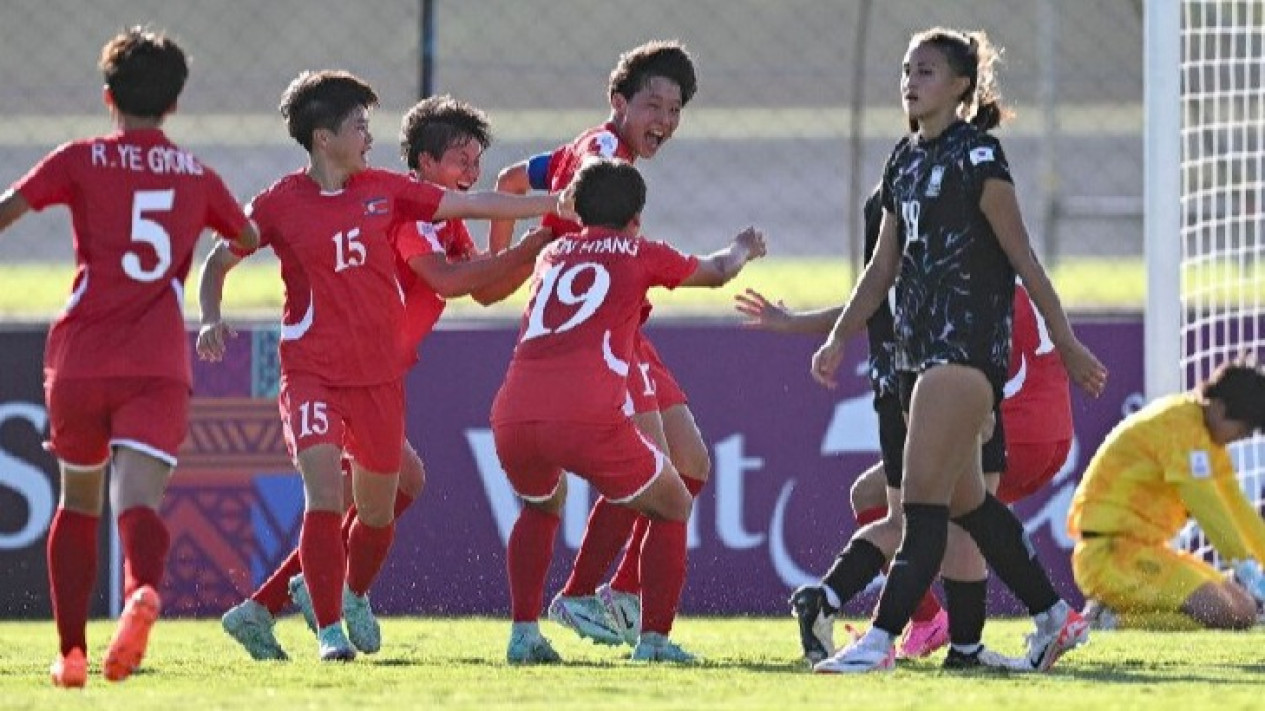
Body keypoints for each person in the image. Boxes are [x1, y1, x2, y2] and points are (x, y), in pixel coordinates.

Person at [195, 70, 566, 662]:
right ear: (324, 137)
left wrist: (548, 215)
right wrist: (211, 314)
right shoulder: (371, 208)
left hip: (378, 378)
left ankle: (270, 605)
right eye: (459, 160)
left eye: (478, 160)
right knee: (327, 498)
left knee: (384, 498)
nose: (470, 172)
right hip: (315, 370)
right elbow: (447, 279)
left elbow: (485, 279)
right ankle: (333, 619)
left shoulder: (406, 202)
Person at [807, 27, 1107, 674]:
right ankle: (1054, 616)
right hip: (918, 360)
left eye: (926, 71)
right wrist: (838, 336)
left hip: (964, 352)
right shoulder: (902, 160)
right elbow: (880, 268)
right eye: (906, 70)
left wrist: (1066, 341)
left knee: (920, 507)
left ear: (960, 86)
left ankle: (876, 642)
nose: (910, 82)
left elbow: (1023, 258)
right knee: (968, 501)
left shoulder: (980, 160)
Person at [0, 27, 259, 687]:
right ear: (173, 105)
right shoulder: (197, 176)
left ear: (107, 95)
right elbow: (248, 234)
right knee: (137, 498)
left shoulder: (80, 158)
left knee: (77, 501)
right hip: (156, 358)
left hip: (81, 354)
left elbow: (7, 211)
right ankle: (142, 587)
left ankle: (72, 654)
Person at [491, 157, 765, 664]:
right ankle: (654, 641)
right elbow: (718, 271)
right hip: (587, 413)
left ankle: (523, 633)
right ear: (637, 216)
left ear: (577, 210)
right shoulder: (639, 252)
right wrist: (744, 247)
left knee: (540, 506)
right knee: (674, 503)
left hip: (514, 411)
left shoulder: (551, 256)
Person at [493, 39, 709, 648]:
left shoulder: (583, 146)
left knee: (690, 462)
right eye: (653, 105)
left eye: (675, 110)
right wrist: (518, 265)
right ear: (619, 102)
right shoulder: (604, 154)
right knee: (653, 463)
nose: (664, 121)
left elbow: (510, 179)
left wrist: (504, 265)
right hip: (596, 338)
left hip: (621, 326)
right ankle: (587, 593)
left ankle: (617, 590)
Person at [1068, 362, 1265, 630]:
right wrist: (1243, 563)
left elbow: (1238, 507)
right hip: (1109, 554)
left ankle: (1111, 614)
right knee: (1221, 612)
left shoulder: (1208, 441)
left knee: (1244, 611)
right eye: (1241, 431)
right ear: (1219, 407)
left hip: (1148, 551)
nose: (1237, 439)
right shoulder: (1178, 425)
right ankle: (1108, 621)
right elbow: (1205, 504)